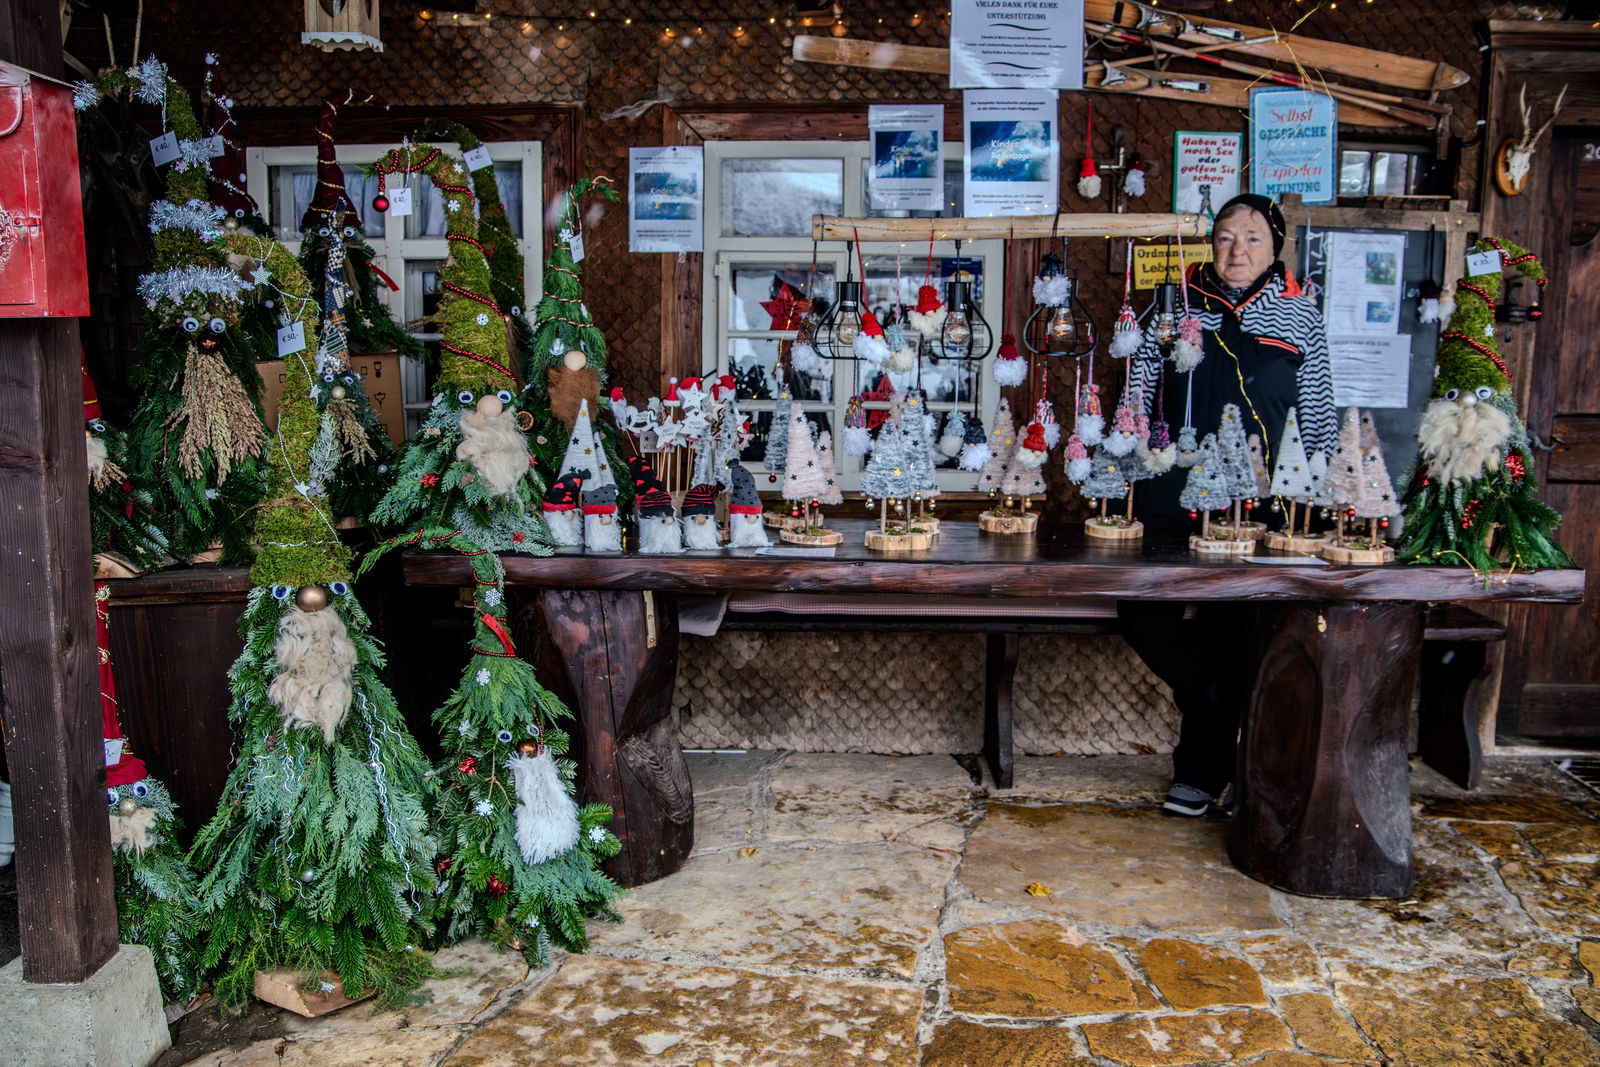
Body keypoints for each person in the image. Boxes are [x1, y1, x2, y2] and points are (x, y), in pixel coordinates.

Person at [1118, 194, 1337, 817]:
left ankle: (1206, 770)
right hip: (1166, 494)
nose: (1236, 251)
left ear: (1276, 248)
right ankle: (1224, 723)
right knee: (1143, 614)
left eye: (1253, 238)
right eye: (1224, 237)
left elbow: (1316, 413)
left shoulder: (1300, 317)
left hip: (1258, 502)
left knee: (1241, 629)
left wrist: (1315, 498)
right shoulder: (1174, 307)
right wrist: (1126, 478)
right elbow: (1137, 399)